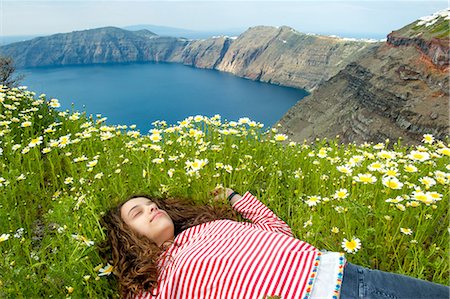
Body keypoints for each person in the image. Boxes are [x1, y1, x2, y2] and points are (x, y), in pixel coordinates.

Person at [102, 188, 449, 299]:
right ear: (126, 236)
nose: (151, 208)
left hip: (350, 277)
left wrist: (238, 197)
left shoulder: (205, 227)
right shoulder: (152, 281)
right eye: (138, 211)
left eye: (153, 203)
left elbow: (277, 229)